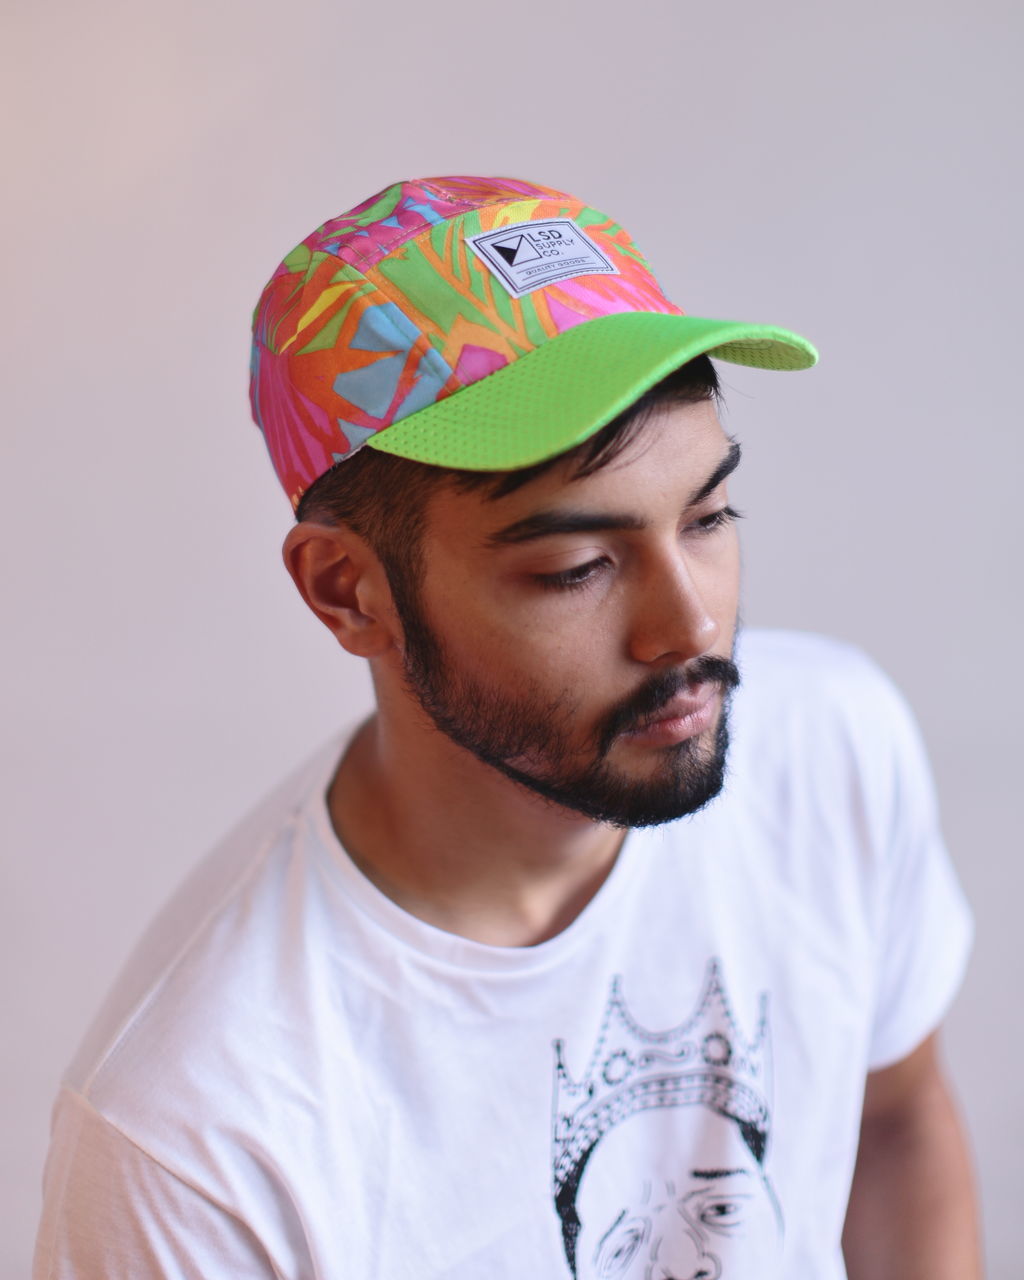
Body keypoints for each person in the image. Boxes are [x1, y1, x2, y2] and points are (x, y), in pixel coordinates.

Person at [34, 175, 981, 1279]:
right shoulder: (196, 1136)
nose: (690, 622)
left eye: (709, 515)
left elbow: (895, 1125)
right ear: (348, 590)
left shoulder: (829, 749)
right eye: (574, 567)